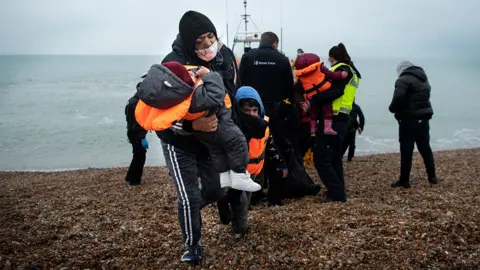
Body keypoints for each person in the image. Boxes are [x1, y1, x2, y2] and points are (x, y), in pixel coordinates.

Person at [142, 10, 248, 264]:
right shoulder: (172, 64)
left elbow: (230, 95)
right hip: (178, 141)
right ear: (189, 42)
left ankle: (192, 209)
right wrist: (192, 124)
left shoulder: (223, 58)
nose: (207, 44)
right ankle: (193, 246)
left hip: (210, 141)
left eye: (210, 36)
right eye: (199, 41)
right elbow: (157, 115)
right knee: (189, 195)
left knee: (215, 190)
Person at [137, 61, 261, 192]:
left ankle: (225, 177)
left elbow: (171, 122)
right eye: (189, 74)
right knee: (238, 142)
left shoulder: (173, 101)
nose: (192, 73)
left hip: (203, 134)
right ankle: (240, 175)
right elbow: (217, 93)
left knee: (216, 150)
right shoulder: (197, 96)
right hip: (220, 124)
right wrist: (209, 75)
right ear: (181, 85)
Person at [311, 43, 360, 203]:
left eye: (329, 59)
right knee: (334, 157)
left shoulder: (340, 70)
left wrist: (314, 98)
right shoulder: (353, 71)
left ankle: (337, 193)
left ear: (332, 58)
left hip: (331, 117)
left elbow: (334, 92)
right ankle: (337, 189)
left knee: (321, 158)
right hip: (343, 118)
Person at [239, 31, 296, 160]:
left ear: (261, 42)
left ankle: (254, 169)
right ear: (275, 43)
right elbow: (289, 87)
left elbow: (240, 82)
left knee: (252, 141)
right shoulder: (282, 59)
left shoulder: (247, 57)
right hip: (274, 109)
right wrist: (288, 108)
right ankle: (277, 171)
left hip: (250, 108)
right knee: (275, 141)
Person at [233, 86, 288, 206]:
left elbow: (271, 146)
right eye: (246, 111)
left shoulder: (263, 125)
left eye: (254, 110)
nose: (251, 114)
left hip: (255, 171)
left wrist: (281, 164)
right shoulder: (235, 127)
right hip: (237, 173)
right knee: (239, 204)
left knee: (246, 201)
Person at [389, 61, 437, 188]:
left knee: (406, 150)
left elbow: (398, 99)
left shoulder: (403, 80)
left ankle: (404, 180)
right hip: (423, 119)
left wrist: (392, 109)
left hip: (408, 120)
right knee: (425, 148)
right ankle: (432, 177)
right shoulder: (423, 79)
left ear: (401, 70)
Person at [294, 53, 348, 136]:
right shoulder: (319, 67)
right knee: (328, 111)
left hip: (312, 97)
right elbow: (331, 74)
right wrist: (341, 75)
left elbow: (298, 88)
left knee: (313, 112)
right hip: (324, 92)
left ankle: (312, 130)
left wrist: (302, 101)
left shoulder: (301, 77)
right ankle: (327, 128)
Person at [124, 82, 148, 186]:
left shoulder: (133, 101)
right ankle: (134, 180)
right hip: (136, 133)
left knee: (138, 155)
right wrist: (141, 137)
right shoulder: (135, 103)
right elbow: (135, 122)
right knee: (139, 156)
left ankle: (131, 177)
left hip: (133, 132)